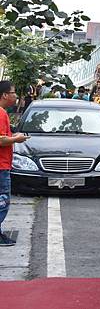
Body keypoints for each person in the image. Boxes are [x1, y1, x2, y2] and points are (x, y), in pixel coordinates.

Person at [0, 81, 30, 246]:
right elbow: (1, 140)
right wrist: (17, 139)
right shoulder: (1, 113)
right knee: (3, 201)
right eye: (13, 93)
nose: (16, 96)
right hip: (1, 165)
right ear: (5, 95)